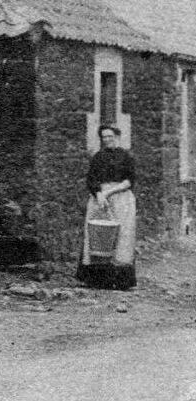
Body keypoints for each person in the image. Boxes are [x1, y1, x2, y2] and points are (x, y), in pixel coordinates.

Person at [76, 124, 137, 290]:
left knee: (121, 235)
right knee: (97, 234)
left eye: (110, 136)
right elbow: (91, 179)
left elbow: (129, 181)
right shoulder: (97, 157)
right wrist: (99, 194)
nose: (107, 140)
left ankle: (121, 280)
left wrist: (110, 192)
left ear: (117, 137)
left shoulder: (126, 156)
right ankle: (97, 279)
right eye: (104, 137)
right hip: (100, 199)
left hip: (121, 198)